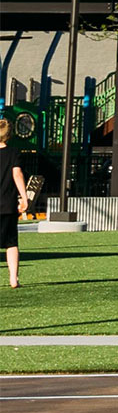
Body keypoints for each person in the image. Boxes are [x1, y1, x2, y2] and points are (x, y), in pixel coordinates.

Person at [1, 116, 26, 288]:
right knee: (11, 243)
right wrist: (24, 197)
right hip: (7, 204)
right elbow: (17, 174)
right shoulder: (13, 153)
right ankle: (13, 278)